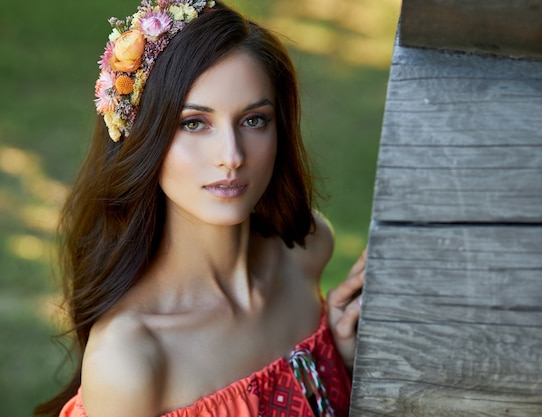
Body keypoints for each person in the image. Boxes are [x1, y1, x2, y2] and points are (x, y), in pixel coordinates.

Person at [35, 1, 365, 416]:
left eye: (254, 120)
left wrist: (343, 361)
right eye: (194, 123)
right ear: (143, 138)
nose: (231, 156)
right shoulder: (131, 357)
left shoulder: (306, 250)